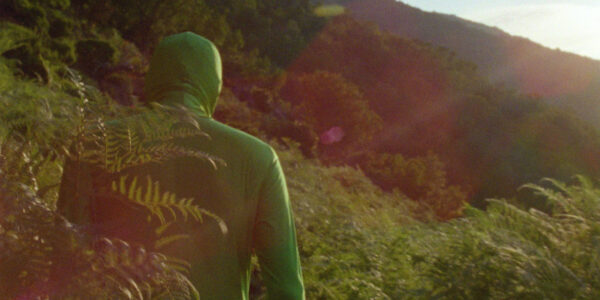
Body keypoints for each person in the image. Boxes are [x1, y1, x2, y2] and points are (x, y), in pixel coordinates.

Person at [58, 32, 304, 300]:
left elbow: (64, 256)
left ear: (154, 77)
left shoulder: (94, 141)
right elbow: (288, 290)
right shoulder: (259, 158)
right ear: (214, 84)